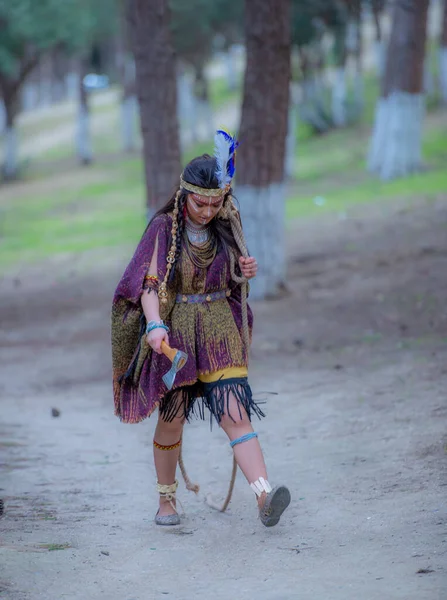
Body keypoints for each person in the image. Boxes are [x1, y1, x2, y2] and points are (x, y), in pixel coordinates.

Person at [111, 130, 290, 527]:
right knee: (172, 417)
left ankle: (264, 496)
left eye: (215, 203)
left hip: (219, 328)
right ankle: (166, 501)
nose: (208, 211)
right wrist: (155, 324)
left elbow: (232, 285)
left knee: (235, 412)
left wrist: (245, 273)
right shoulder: (163, 228)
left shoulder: (229, 222)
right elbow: (149, 284)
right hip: (176, 335)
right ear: (184, 194)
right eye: (200, 203)